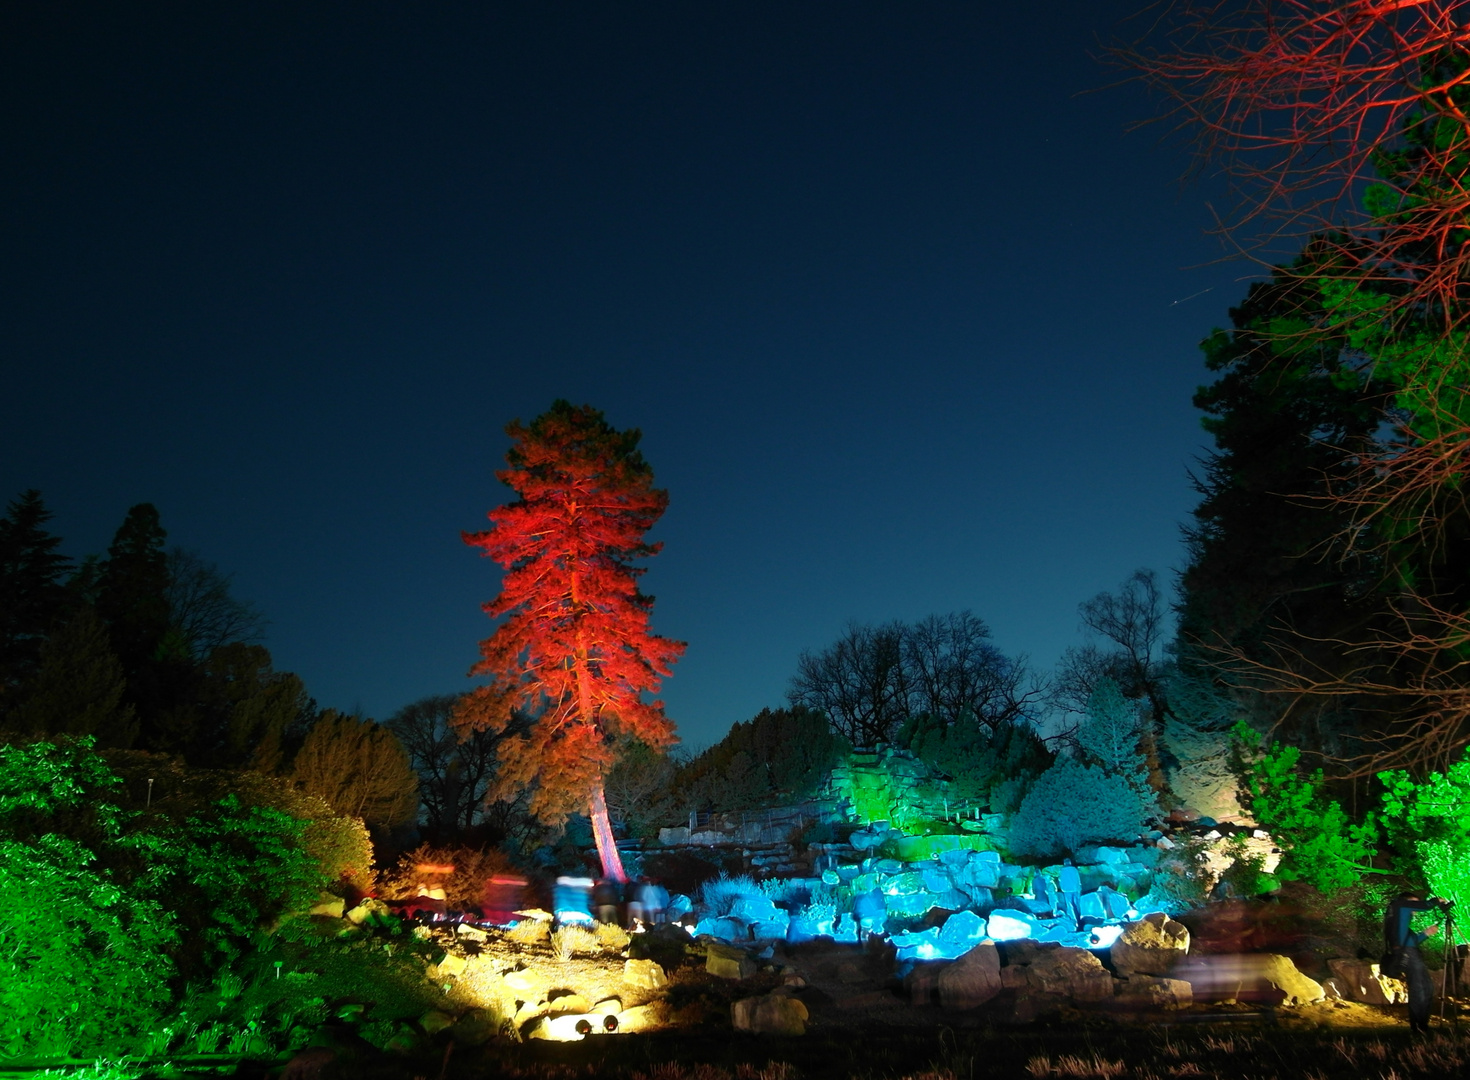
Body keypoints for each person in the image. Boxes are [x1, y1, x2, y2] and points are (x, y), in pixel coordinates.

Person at [1384, 891, 1447, 1034]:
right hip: (1409, 955)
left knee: (1426, 988)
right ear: (1406, 901)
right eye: (1414, 902)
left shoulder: (1400, 920)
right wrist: (1437, 900)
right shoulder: (1399, 905)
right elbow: (1426, 905)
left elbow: (1410, 942)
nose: (1416, 907)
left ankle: (1421, 1024)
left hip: (1410, 953)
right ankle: (1419, 1027)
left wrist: (1426, 933)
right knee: (1419, 990)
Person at [1058, 858, 1083, 931]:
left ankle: (1074, 920)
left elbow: (1061, 880)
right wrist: (1079, 887)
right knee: (1077, 904)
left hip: (1067, 890)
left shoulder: (1062, 871)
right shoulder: (1074, 869)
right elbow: (1077, 879)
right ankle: (1080, 917)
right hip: (1075, 889)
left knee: (1070, 905)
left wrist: (1062, 888)